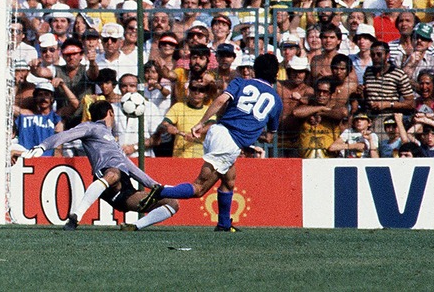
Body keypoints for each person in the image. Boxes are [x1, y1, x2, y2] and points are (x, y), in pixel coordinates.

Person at [139, 53, 281, 231]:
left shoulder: (240, 82)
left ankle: (223, 224)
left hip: (217, 131)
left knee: (229, 181)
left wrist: (202, 122)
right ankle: (160, 191)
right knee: (199, 188)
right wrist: (251, 134)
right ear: (276, 75)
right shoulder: (276, 101)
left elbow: (221, 99)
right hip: (229, 143)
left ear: (254, 71)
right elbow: (269, 137)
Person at [22, 100, 179, 231]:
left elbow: (132, 169)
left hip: (124, 191)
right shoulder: (91, 127)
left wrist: (155, 185)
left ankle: (134, 226)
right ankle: (76, 215)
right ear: (111, 113)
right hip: (107, 176)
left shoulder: (113, 141)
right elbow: (65, 135)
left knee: (172, 203)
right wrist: (43, 146)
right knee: (114, 174)